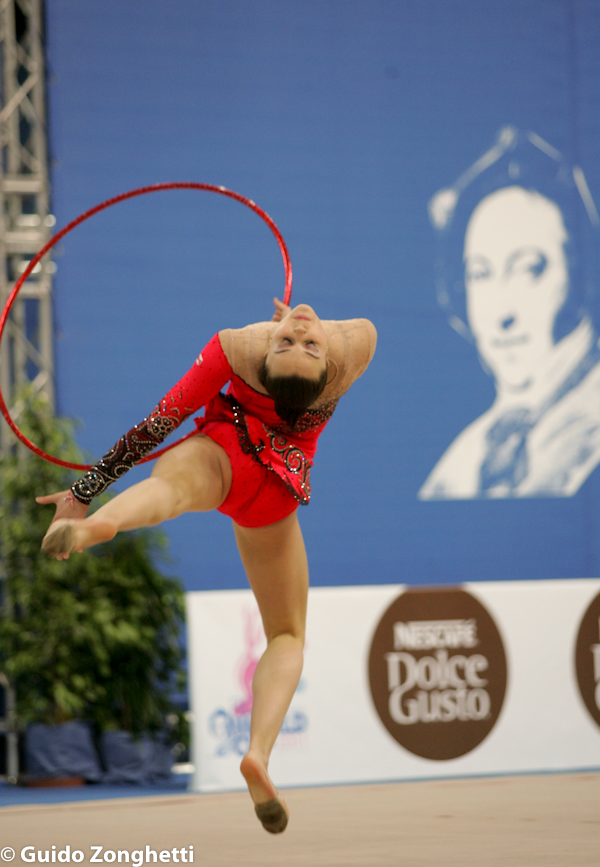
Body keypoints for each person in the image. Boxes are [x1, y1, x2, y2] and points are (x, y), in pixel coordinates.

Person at [37, 298, 377, 833]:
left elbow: (158, 425)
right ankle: (258, 752)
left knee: (171, 489)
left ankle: (97, 524)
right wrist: (299, 333)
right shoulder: (355, 346)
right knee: (287, 636)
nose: (302, 332)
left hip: (222, 456)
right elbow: (320, 339)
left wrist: (84, 490)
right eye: (297, 341)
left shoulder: (237, 347)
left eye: (303, 344)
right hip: (275, 496)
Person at [419, 127, 600, 499]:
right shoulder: (456, 469)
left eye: (528, 269)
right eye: (480, 274)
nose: (502, 313)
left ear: (579, 273)